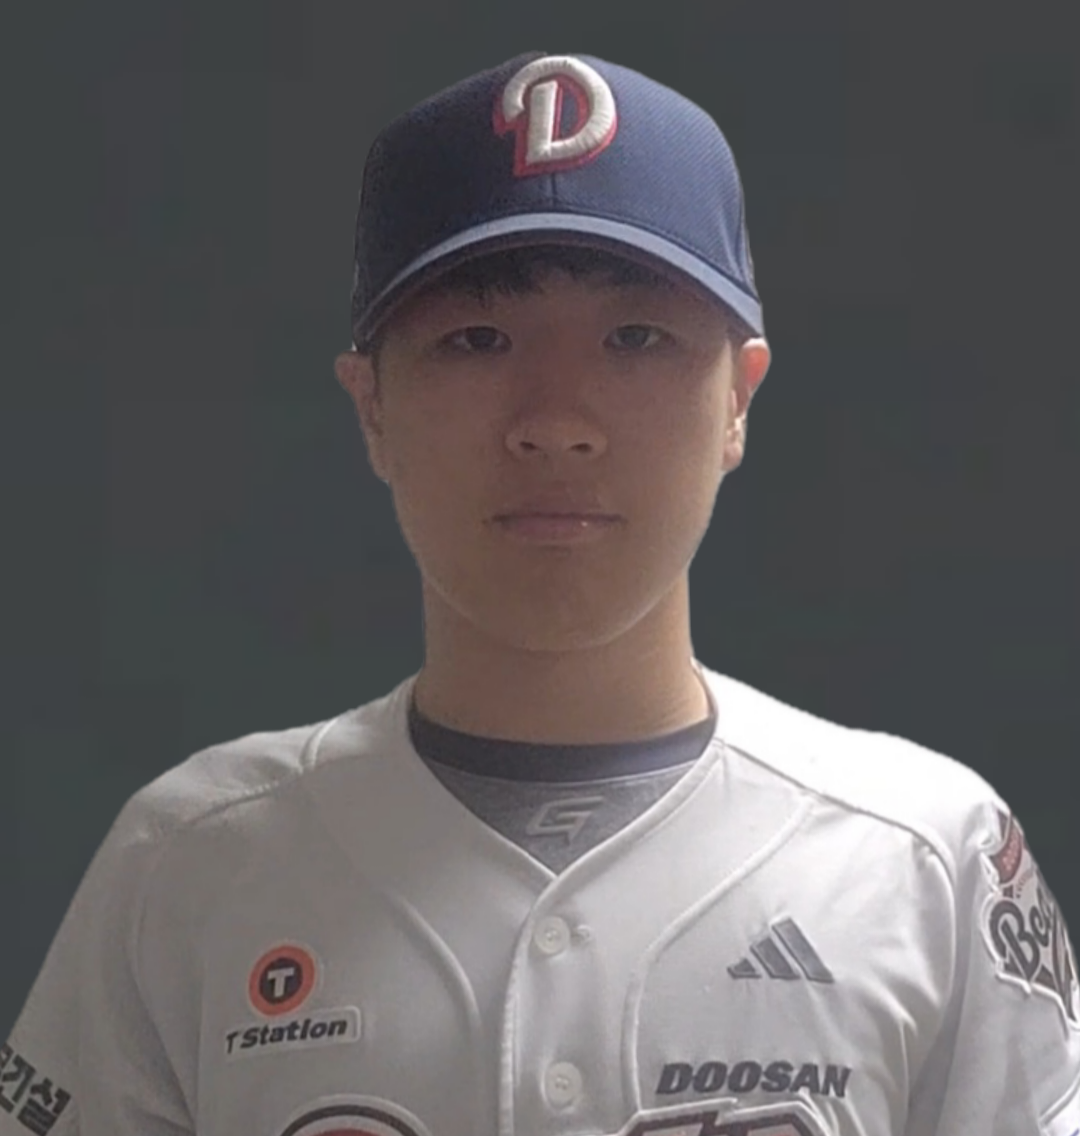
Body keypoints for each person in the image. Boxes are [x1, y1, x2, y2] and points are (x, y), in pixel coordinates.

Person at [3, 50, 1077, 1136]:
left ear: (738, 399)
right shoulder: (188, 865)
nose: (556, 419)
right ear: (371, 405)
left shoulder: (924, 857)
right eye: (477, 338)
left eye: (635, 337)